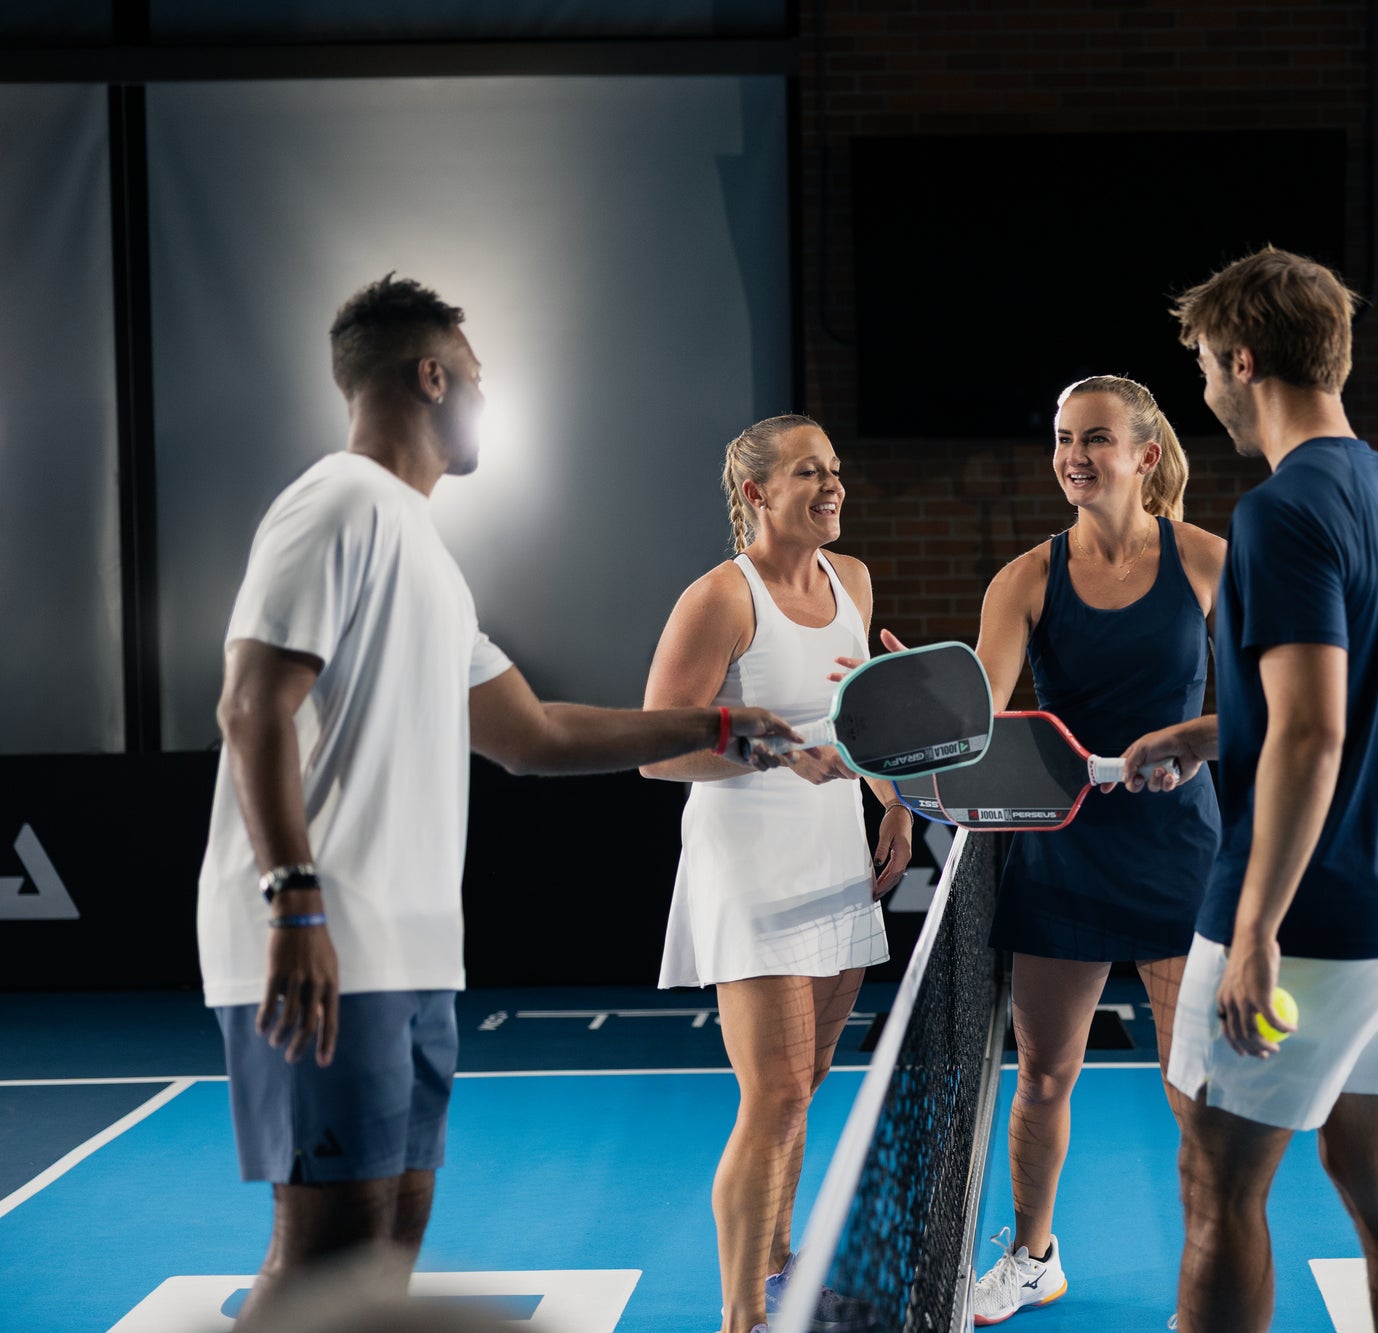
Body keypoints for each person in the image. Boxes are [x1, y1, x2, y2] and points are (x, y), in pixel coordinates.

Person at [196, 275, 802, 1324]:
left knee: (387, 1246)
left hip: (410, 951)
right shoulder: (335, 503)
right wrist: (293, 899)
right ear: (429, 375)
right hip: (321, 941)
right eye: (474, 379)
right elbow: (249, 704)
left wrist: (713, 727)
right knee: (324, 1254)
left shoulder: (426, 553)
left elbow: (532, 735)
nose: (480, 399)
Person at [1123, 247, 1378, 1333]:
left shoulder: (1281, 512)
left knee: (1217, 1189)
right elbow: (1355, 697)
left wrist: (1256, 925)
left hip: (1313, 918)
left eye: (1200, 368)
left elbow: (1316, 732)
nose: (1203, 393)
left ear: (1240, 358)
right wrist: (1206, 729)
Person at [929, 375, 1226, 1325]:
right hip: (1062, 850)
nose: (1072, 456)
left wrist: (1198, 739)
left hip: (1181, 848)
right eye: (1062, 438)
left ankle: (1215, 1262)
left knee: (1197, 1088)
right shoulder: (1025, 578)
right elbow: (977, 717)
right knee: (1046, 1072)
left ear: (1144, 454)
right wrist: (916, 708)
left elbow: (1276, 701)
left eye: (1094, 438)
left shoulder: (1214, 562)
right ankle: (1032, 1254)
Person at [640, 414, 913, 1333]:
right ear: (757, 492)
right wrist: (771, 756)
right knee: (775, 1094)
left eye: (834, 469)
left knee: (813, 1076)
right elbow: (659, 750)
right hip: (748, 866)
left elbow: (859, 717)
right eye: (809, 472)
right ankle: (739, 1319)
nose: (832, 486)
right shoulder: (721, 597)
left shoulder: (856, 581)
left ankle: (780, 1270)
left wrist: (896, 801)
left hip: (834, 855)